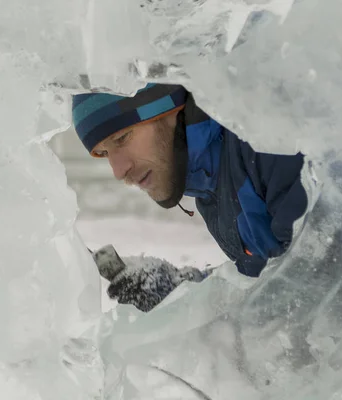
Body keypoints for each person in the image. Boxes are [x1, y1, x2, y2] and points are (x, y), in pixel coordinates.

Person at [71, 83, 308, 311]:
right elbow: (260, 283)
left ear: (168, 109)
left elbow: (318, 284)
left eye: (122, 138)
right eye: (103, 153)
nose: (118, 171)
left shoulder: (270, 142)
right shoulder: (213, 187)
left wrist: (195, 317)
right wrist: (176, 290)